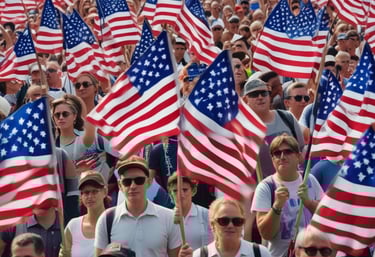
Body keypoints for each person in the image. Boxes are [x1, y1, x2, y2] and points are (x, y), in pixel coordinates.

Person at [94, 155, 182, 257]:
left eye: (139, 180)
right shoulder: (106, 219)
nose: (133, 186)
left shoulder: (168, 218)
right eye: (127, 182)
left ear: (148, 182)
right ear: (120, 185)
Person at [251, 135, 324, 257]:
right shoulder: (266, 187)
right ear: (272, 159)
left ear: (298, 156)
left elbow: (327, 217)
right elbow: (266, 234)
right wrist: (277, 206)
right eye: (277, 153)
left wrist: (309, 203)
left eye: (288, 151)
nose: (282, 157)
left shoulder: (309, 180)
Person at [242, 79, 305, 178]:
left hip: (292, 185)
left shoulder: (287, 118)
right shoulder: (241, 128)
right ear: (245, 100)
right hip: (261, 189)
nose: (260, 97)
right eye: (254, 94)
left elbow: (301, 151)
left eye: (264, 93)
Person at [192, 198, 271, 257]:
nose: (230, 225)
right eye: (224, 221)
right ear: (212, 225)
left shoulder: (260, 253)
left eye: (237, 221)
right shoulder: (199, 255)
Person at [60, 171, 109, 257]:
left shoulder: (115, 222)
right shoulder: (73, 226)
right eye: (86, 192)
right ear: (81, 196)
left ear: (104, 192)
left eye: (94, 191)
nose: (90, 196)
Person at [167, 172, 214, 250]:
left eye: (185, 190)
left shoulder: (206, 214)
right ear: (170, 194)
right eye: (175, 191)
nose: (180, 194)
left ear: (193, 191)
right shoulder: (166, 217)